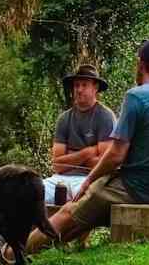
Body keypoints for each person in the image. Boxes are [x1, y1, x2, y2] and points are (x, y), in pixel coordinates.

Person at [7, 38, 149, 262]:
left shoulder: (137, 96)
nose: (79, 89)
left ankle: (8, 255)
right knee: (78, 205)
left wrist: (88, 181)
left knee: (70, 209)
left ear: (140, 65)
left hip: (140, 188)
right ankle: (35, 249)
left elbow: (114, 155)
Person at [42, 64, 116, 205]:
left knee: (83, 201)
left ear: (95, 88)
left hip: (88, 179)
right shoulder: (64, 119)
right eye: (76, 85)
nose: (79, 90)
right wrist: (88, 152)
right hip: (60, 178)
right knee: (32, 193)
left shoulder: (105, 117)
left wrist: (70, 156)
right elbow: (57, 164)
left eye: (84, 85)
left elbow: (103, 164)